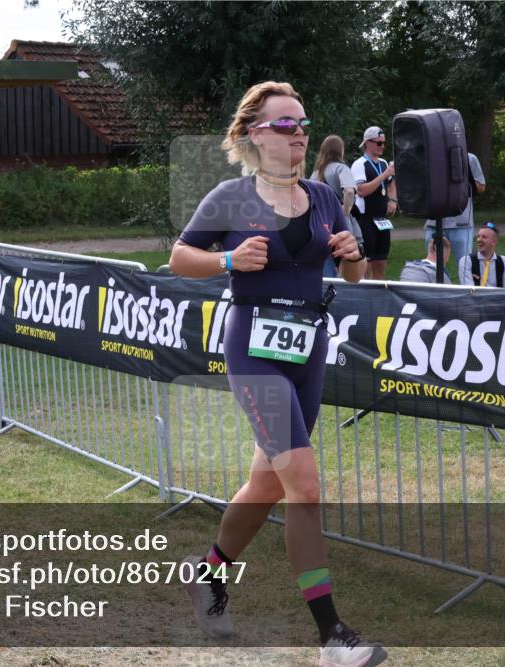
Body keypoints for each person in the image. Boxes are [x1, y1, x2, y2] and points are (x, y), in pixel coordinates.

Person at [168, 81, 385, 667]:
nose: (298, 134)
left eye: (303, 124)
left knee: (267, 483)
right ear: (253, 134)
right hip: (254, 352)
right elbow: (179, 259)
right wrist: (228, 260)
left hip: (306, 352)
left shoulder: (322, 197)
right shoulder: (230, 198)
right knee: (304, 487)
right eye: (285, 124)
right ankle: (332, 636)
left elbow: (358, 275)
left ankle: (207, 573)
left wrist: (351, 255)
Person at [424, 152, 486, 276]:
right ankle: (440, 293)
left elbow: (481, 187)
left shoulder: (469, 158)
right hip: (434, 222)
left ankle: (467, 293)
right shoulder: (431, 156)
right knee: (433, 267)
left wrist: (462, 175)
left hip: (461, 223)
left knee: (464, 267)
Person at [312, 135, 364, 278]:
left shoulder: (316, 173)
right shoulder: (341, 168)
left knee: (327, 258)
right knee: (351, 257)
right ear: (340, 150)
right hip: (341, 223)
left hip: (321, 223)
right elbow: (349, 190)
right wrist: (345, 210)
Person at [350, 126, 397, 280]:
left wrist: (392, 200)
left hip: (382, 219)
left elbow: (391, 184)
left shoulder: (383, 162)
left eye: (384, 143)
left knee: (381, 261)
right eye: (379, 143)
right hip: (366, 219)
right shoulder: (359, 164)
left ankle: (379, 296)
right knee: (367, 261)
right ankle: (365, 294)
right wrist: (383, 176)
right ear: (367, 143)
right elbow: (362, 190)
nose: (382, 146)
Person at [458, 222, 505, 288]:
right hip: (474, 297)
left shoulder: (504, 262)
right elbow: (469, 290)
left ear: (494, 242)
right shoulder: (466, 261)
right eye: (478, 236)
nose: (479, 240)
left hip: (498, 298)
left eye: (484, 237)